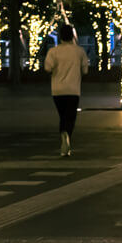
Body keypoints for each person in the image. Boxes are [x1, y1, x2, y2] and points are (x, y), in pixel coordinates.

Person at [44, 23, 89, 156]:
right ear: (72, 36)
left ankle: (64, 140)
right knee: (70, 117)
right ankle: (66, 136)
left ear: (60, 36)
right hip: (73, 89)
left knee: (62, 116)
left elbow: (48, 68)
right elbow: (85, 70)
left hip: (57, 90)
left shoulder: (53, 51)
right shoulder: (79, 51)